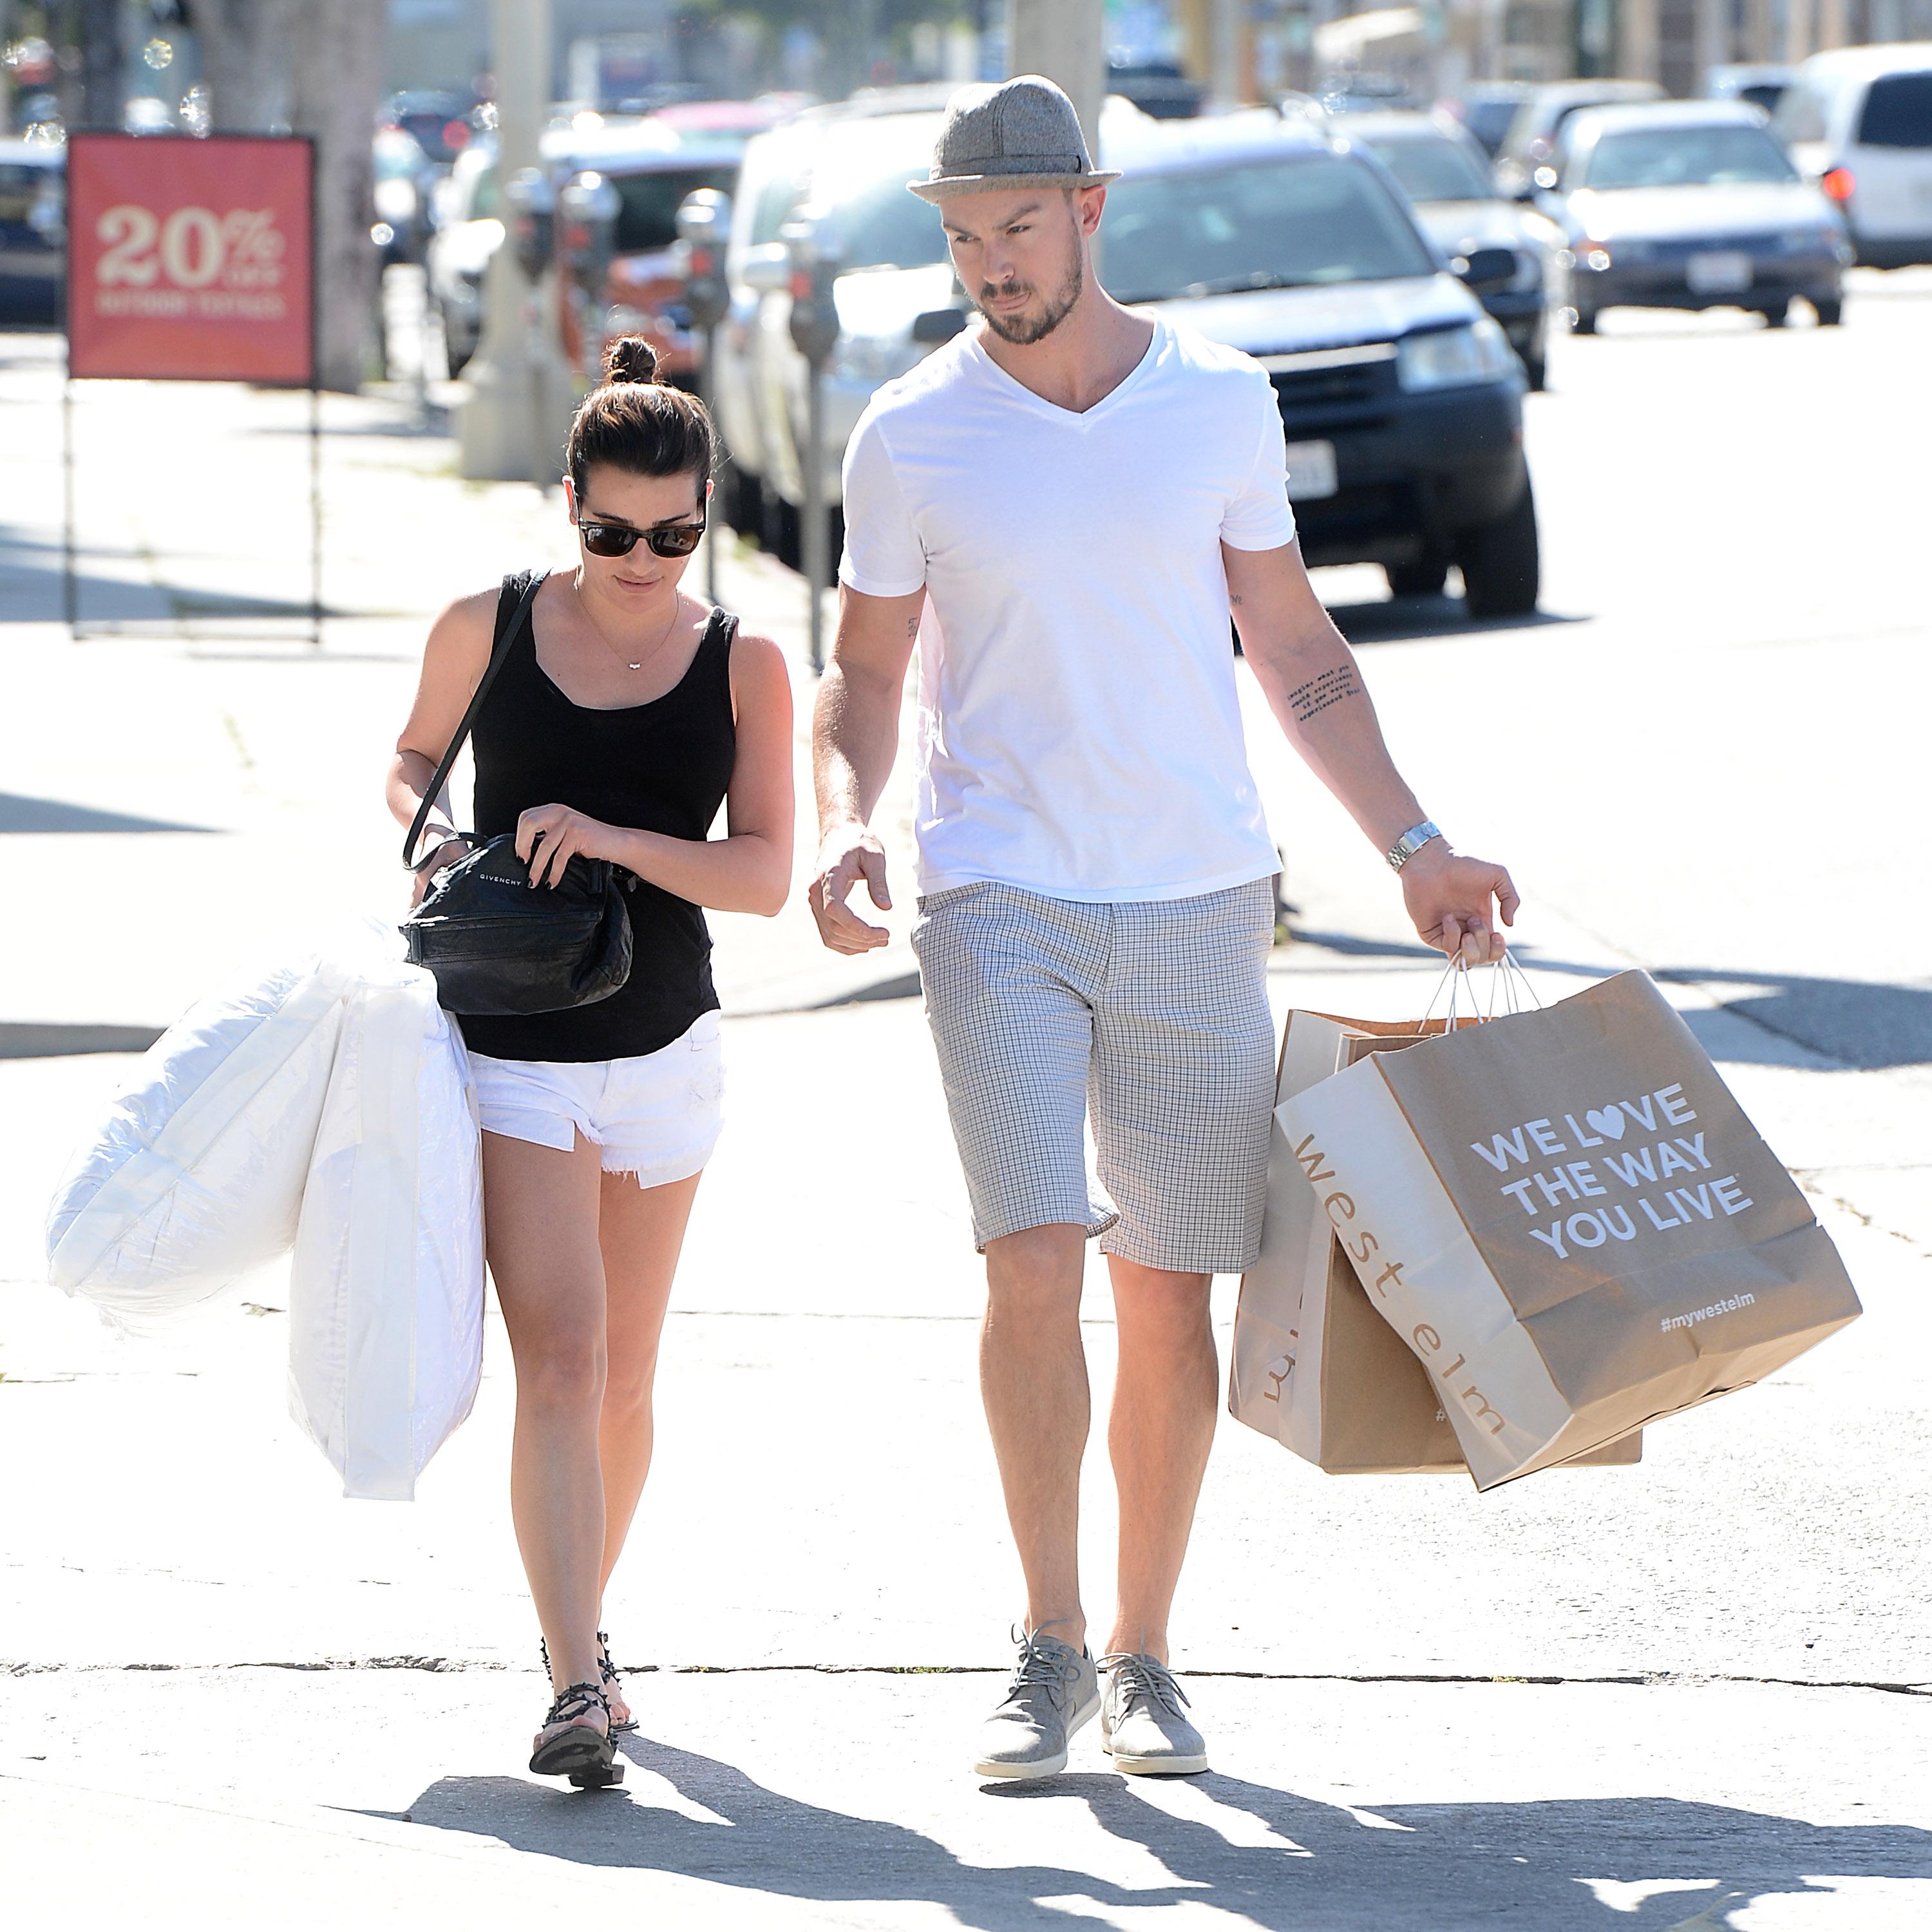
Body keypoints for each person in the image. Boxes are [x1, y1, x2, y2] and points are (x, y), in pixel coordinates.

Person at [810, 77, 1519, 1783]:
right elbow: (869, 670)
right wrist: (847, 823)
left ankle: (1145, 1654)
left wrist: (1414, 841)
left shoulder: (1217, 401)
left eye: (1019, 231)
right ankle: (1045, 1646)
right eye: (966, 239)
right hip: (997, 889)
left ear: (1094, 209)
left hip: (1198, 888)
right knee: (1033, 1253)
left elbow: (1291, 644)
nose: (991, 268)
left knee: (1165, 1286)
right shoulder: (910, 432)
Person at [388, 340, 793, 1784]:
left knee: (623, 1377)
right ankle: (572, 1684)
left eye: (675, 535)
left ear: (707, 516)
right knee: (560, 1359)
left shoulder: (742, 658)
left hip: (666, 1044)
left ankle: (593, 1631)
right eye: (613, 532)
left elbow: (762, 875)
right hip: (514, 1046)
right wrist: (436, 833)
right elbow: (412, 759)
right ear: (569, 503)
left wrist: (619, 840)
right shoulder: (485, 623)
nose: (643, 560)